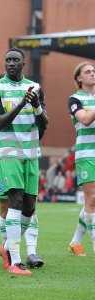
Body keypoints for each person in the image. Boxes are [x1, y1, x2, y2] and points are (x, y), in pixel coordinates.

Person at [0, 47, 48, 276]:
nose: (11, 63)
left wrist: (36, 107)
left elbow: (43, 125)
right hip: (8, 153)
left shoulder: (36, 88)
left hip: (31, 153)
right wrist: (21, 105)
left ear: (24, 64)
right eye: (8, 60)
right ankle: (16, 260)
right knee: (15, 201)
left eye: (15, 60)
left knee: (29, 208)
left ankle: (5, 247)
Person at [68, 62, 95, 256]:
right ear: (79, 78)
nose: (92, 74)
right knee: (92, 198)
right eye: (88, 72)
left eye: (94, 71)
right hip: (87, 154)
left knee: (91, 201)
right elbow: (85, 119)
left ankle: (76, 242)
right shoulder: (75, 99)